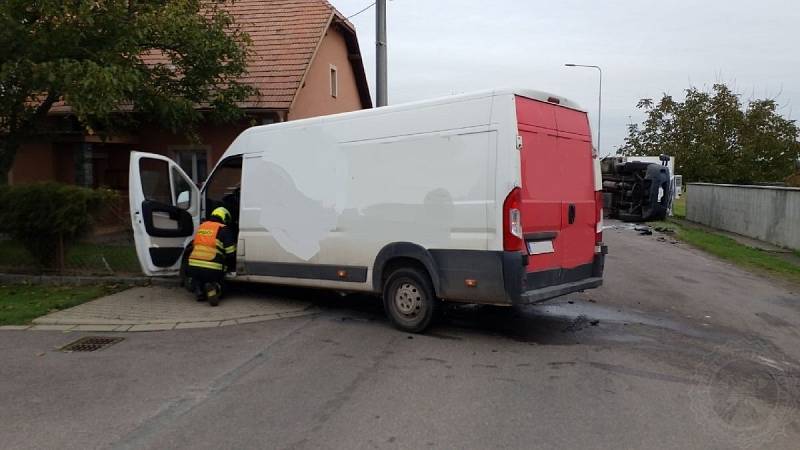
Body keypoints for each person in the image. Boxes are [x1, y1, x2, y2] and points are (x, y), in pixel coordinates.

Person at [187, 207, 236, 306]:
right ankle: (214, 288)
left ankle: (199, 291)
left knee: (197, 278)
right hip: (213, 268)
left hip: (193, 265)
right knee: (222, 285)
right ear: (225, 218)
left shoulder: (202, 226)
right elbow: (230, 252)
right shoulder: (224, 229)